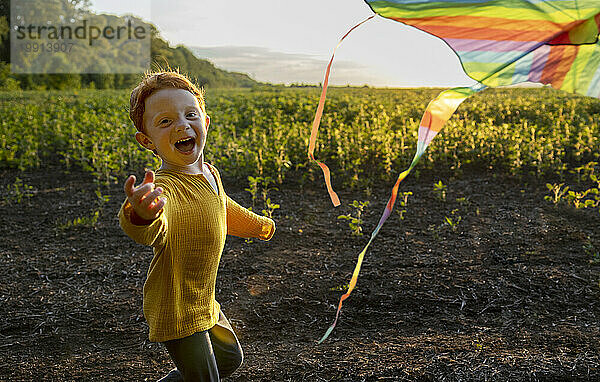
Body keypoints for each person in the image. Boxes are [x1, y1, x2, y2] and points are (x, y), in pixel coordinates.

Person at [118, 70, 275, 381]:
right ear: (147, 140)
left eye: (190, 114)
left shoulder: (209, 174)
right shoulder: (167, 189)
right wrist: (141, 213)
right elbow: (154, 228)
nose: (181, 124)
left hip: (204, 299)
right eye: (165, 121)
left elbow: (222, 209)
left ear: (205, 121)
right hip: (177, 307)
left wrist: (260, 226)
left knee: (229, 359)